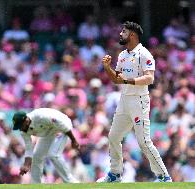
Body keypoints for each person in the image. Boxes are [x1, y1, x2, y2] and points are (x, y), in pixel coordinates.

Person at [96, 21, 172, 182]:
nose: (120, 34)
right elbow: (117, 79)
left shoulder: (144, 54)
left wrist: (129, 81)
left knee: (143, 142)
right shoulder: (123, 55)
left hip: (139, 101)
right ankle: (115, 174)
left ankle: (164, 176)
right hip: (124, 100)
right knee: (113, 137)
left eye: (123, 32)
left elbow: (150, 78)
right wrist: (107, 67)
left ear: (132, 35)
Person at [12, 108, 80, 183]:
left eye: (20, 126)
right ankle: (36, 185)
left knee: (53, 154)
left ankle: (71, 181)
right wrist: (26, 165)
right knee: (36, 156)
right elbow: (29, 148)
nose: (20, 129)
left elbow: (62, 125)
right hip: (48, 132)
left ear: (26, 120)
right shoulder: (23, 131)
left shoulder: (40, 116)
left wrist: (73, 140)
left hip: (62, 127)